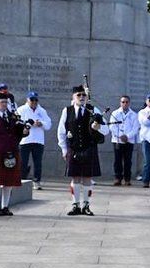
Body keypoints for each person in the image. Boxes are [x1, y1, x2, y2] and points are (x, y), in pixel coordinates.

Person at [58, 85, 109, 215]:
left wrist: (98, 128)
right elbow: (61, 132)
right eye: (78, 95)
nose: (81, 97)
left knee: (87, 177)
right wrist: (64, 149)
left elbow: (107, 130)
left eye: (83, 95)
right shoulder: (67, 110)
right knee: (75, 178)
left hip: (89, 148)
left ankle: (86, 205)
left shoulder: (93, 109)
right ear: (73, 97)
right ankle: (75, 205)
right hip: (73, 148)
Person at [0, 92, 27, 215]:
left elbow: (18, 134)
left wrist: (24, 131)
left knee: (9, 182)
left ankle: (5, 206)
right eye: (2, 102)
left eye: (6, 102)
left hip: (12, 152)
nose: (4, 104)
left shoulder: (13, 117)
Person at [16, 92, 51, 188]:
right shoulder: (21, 110)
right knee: (23, 162)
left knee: (38, 162)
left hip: (38, 140)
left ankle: (37, 181)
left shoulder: (42, 111)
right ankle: (22, 180)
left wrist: (41, 124)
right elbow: (17, 122)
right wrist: (28, 124)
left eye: (36, 100)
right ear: (27, 100)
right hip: (25, 140)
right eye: (32, 100)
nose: (34, 102)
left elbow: (48, 124)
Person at [109, 95, 139, 186]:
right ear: (120, 103)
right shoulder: (115, 113)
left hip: (129, 141)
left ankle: (127, 179)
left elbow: (135, 128)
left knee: (128, 160)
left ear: (129, 103)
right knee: (117, 160)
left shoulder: (134, 114)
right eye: (123, 102)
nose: (125, 104)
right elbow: (112, 126)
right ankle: (118, 178)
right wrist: (120, 136)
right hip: (117, 140)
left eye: (126, 102)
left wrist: (127, 136)